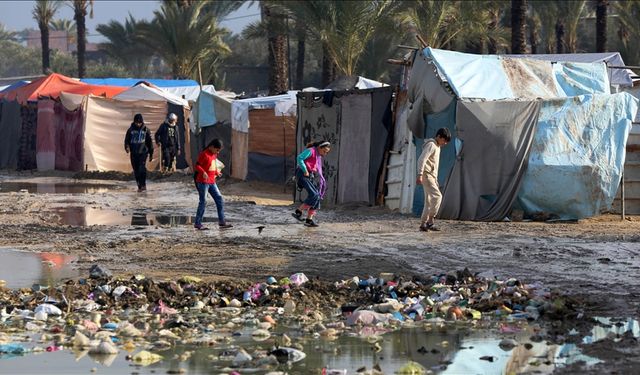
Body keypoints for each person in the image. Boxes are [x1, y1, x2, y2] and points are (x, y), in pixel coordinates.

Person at [417, 127, 451, 232]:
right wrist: (420, 174)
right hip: (427, 175)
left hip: (431, 176)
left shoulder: (437, 147)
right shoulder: (431, 145)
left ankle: (423, 224)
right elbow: (422, 159)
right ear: (439, 137)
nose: (445, 143)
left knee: (429, 200)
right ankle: (430, 220)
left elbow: (434, 165)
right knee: (437, 196)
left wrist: (435, 179)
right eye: (444, 140)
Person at [193, 139, 232, 230]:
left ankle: (222, 221)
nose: (218, 152)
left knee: (219, 199)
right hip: (203, 182)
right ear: (211, 147)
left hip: (212, 181)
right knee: (203, 201)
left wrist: (216, 172)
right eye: (217, 150)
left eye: (219, 150)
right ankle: (198, 223)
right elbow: (197, 166)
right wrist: (203, 172)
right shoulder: (204, 154)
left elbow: (211, 166)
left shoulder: (214, 155)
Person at [292, 141, 331, 227]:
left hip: (309, 175)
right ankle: (299, 211)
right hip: (302, 173)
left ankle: (309, 220)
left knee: (317, 196)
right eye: (324, 151)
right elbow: (299, 158)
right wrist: (305, 170)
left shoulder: (317, 155)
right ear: (319, 147)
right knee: (314, 194)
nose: (325, 154)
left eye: (326, 152)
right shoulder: (311, 151)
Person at [124, 113, 153, 192]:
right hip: (134, 153)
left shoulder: (146, 130)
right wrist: (127, 147)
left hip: (143, 152)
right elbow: (127, 140)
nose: (138, 124)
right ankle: (139, 186)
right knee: (136, 170)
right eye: (137, 122)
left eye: (139, 122)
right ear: (134, 122)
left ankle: (143, 185)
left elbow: (150, 142)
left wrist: (151, 153)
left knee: (141, 168)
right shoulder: (130, 130)